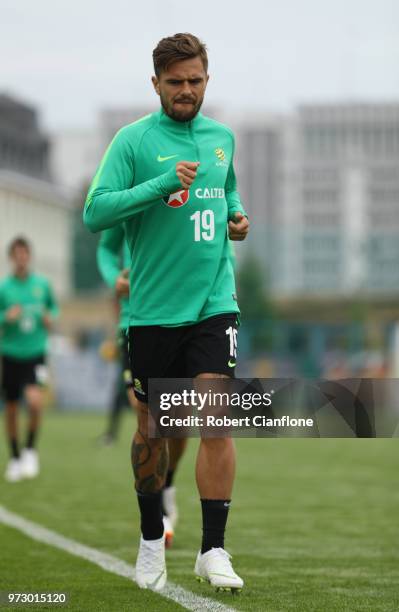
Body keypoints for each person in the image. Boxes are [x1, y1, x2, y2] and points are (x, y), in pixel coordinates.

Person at [84, 33, 249, 592]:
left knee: (215, 418)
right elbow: (95, 212)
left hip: (214, 303)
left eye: (195, 80)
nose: (186, 90)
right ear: (155, 83)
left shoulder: (222, 139)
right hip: (152, 311)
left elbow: (227, 194)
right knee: (152, 431)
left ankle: (213, 548)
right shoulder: (132, 142)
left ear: (207, 80)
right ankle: (151, 541)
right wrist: (158, 185)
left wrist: (238, 216)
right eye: (175, 82)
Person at [97, 225, 187, 545]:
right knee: (144, 409)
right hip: (133, 326)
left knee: (177, 420)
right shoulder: (128, 207)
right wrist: (114, 282)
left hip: (177, 320)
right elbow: (106, 249)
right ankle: (157, 510)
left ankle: (168, 484)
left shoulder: (178, 211)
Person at [0, 237, 59, 482]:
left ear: (29, 256)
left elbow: (54, 309)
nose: (22, 258)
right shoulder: (5, 288)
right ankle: (14, 457)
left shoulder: (42, 285)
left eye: (25, 253)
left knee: (35, 402)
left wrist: (50, 317)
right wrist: (6, 317)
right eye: (17, 254)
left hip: (37, 352)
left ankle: (30, 450)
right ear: (12, 257)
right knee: (12, 408)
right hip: (11, 352)